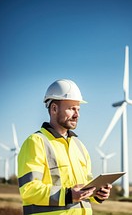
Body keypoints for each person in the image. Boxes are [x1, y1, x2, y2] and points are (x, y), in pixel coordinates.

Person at [18, 79, 112, 215]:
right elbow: (28, 189)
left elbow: (85, 188)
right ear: (54, 109)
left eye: (78, 109)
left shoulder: (79, 146)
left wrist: (97, 193)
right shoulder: (36, 142)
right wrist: (68, 195)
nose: (77, 114)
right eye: (71, 108)